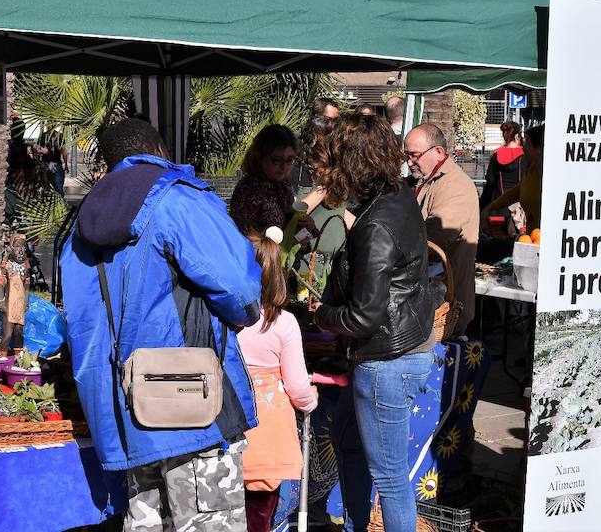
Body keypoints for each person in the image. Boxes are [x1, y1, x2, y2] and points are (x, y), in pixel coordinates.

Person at [60, 118, 262, 531]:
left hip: (127, 409)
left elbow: (80, 324)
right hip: (194, 404)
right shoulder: (177, 199)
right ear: (160, 150)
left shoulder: (81, 223)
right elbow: (240, 288)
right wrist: (244, 316)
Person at [309, 114, 436, 531]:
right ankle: (355, 524)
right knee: (346, 438)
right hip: (395, 349)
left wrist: (322, 312)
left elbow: (364, 316)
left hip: (386, 359)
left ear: (352, 163)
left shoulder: (378, 221)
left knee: (391, 478)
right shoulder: (397, 196)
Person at [238, 228, 318, 532]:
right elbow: (297, 385)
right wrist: (311, 400)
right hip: (265, 440)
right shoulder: (283, 323)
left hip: (225, 436)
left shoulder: (221, 316)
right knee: (259, 518)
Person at [405, 124, 479, 336]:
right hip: (428, 301)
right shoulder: (428, 180)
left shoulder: (456, 186)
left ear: (438, 152)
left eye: (415, 155)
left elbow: (433, 240)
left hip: (445, 308)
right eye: (407, 155)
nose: (410, 162)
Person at [229, 124, 303, 235]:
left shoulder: (283, 186)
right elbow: (249, 239)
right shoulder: (250, 191)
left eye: (289, 160)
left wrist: (300, 225)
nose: (284, 167)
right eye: (277, 160)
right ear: (259, 157)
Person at [482, 125, 544, 232]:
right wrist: (490, 207)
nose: (524, 147)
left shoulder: (548, 175)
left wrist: (487, 206)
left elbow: (490, 182)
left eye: (527, 143)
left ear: (538, 148)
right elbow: (517, 191)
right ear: (516, 137)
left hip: (501, 213)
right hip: (525, 225)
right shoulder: (531, 169)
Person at [479, 120, 526, 234]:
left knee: (497, 244)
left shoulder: (496, 156)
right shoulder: (525, 156)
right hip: (519, 210)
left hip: (498, 209)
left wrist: (483, 208)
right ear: (517, 136)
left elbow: (490, 182)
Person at [34, 127, 69, 196]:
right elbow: (64, 151)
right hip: (49, 163)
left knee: (53, 186)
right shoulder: (45, 136)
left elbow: (64, 150)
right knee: (54, 186)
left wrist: (66, 164)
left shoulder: (57, 135)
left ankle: (58, 201)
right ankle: (58, 201)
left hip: (52, 163)